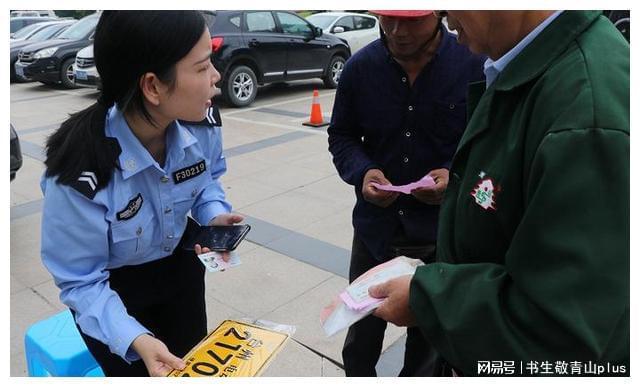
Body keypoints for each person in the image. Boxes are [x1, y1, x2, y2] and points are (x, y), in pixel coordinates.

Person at [370, 10, 629, 376]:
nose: (442, 13)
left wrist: (429, 298)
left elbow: (561, 336)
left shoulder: (586, 114)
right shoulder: (526, 66)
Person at [40, 11, 244, 377]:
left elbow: (207, 178)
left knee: (191, 363)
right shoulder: (80, 174)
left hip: (179, 269)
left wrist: (213, 213)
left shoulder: (201, 124)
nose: (216, 77)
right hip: (113, 292)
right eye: (201, 68)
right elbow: (81, 280)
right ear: (153, 87)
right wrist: (134, 338)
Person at [327, 10, 485, 376]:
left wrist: (454, 175)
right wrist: (363, 172)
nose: (398, 31)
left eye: (412, 20)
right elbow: (342, 136)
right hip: (375, 232)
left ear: (441, 13)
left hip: (439, 235)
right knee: (361, 336)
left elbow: (487, 140)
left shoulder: (473, 66)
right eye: (388, 18)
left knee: (427, 345)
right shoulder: (359, 69)